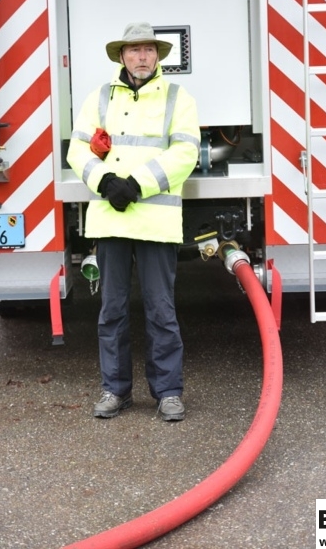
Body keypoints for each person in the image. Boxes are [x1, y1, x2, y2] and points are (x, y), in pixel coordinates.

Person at [67, 22, 200, 421]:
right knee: (112, 312)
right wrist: (105, 181)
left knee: (161, 312)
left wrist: (137, 184)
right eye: (134, 50)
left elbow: (185, 153)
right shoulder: (99, 98)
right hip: (111, 221)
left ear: (157, 56)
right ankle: (115, 390)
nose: (142, 57)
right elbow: (77, 148)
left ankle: (169, 393)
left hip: (156, 222)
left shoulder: (178, 98)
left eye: (148, 50)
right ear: (122, 56)